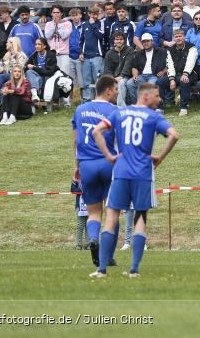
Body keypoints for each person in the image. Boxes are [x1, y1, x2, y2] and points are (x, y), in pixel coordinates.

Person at [89, 82, 179, 279]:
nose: (160, 98)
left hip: (121, 172)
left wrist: (109, 156)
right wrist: (160, 157)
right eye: (156, 95)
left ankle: (102, 269)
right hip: (143, 174)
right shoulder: (154, 116)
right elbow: (174, 135)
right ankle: (134, 270)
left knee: (111, 217)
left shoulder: (119, 113)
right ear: (145, 97)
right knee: (140, 219)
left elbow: (96, 131)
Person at [72, 75, 119, 267]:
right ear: (108, 90)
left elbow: (76, 141)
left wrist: (76, 166)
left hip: (86, 164)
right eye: (115, 89)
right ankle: (107, 256)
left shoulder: (79, 110)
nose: (117, 93)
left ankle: (93, 238)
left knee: (93, 212)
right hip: (108, 163)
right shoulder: (116, 111)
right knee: (113, 212)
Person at [126, 33, 174, 106]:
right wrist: (135, 75)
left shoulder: (162, 51)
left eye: (148, 41)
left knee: (150, 85)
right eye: (144, 42)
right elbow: (134, 66)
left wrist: (164, 72)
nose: (146, 43)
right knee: (130, 83)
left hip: (154, 76)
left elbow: (170, 64)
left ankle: (152, 106)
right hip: (142, 76)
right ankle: (137, 105)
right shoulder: (139, 54)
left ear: (152, 41)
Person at [165, 28, 198, 115]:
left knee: (184, 81)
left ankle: (183, 107)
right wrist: (171, 79)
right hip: (175, 75)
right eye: (176, 37)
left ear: (184, 37)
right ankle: (160, 107)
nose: (178, 38)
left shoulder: (191, 47)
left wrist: (185, 74)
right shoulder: (170, 49)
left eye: (180, 36)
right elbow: (170, 65)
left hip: (190, 73)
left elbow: (190, 62)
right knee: (159, 82)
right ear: (173, 38)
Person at [25, 37, 62, 112]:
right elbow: (26, 67)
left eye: (39, 44)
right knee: (29, 72)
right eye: (36, 44)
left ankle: (46, 101)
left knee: (46, 77)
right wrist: (28, 67)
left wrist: (35, 68)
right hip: (38, 79)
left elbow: (49, 72)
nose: (37, 46)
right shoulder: (34, 55)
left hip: (49, 78)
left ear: (44, 46)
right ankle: (34, 94)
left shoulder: (51, 55)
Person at [78, 6, 105, 102]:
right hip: (86, 56)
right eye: (92, 14)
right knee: (86, 80)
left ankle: (99, 100)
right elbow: (81, 40)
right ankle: (87, 100)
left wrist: (93, 25)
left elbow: (101, 36)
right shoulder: (84, 24)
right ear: (89, 14)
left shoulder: (101, 23)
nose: (94, 16)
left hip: (97, 55)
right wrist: (81, 52)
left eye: (96, 14)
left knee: (97, 79)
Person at [103, 32, 133, 107]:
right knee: (103, 83)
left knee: (121, 83)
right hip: (113, 77)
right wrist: (112, 79)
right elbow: (107, 69)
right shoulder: (109, 53)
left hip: (126, 76)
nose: (119, 41)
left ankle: (121, 108)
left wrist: (121, 76)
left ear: (124, 40)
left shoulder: (129, 50)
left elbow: (128, 65)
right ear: (114, 41)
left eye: (121, 39)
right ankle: (105, 107)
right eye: (117, 39)